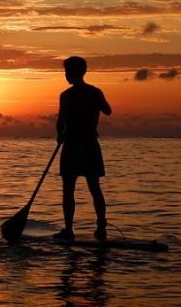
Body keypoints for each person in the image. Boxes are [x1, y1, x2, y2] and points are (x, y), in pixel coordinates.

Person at [54, 56, 112, 241]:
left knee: (69, 189)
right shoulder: (95, 92)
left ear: (74, 73)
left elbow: (60, 122)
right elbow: (107, 110)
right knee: (94, 187)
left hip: (72, 146)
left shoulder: (66, 95)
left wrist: (59, 135)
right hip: (89, 145)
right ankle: (101, 228)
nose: (66, 75)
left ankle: (70, 230)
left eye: (67, 72)